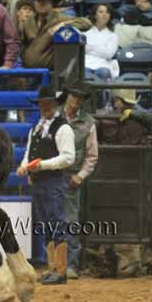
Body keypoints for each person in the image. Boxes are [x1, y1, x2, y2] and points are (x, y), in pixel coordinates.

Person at [17, 85, 75, 285]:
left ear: (55, 104)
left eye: (48, 104)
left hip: (52, 181)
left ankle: (60, 270)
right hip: (40, 182)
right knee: (48, 224)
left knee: (56, 223)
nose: (45, 107)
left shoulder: (63, 127)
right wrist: (24, 166)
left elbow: (68, 158)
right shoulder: (37, 127)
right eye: (42, 104)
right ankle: (53, 268)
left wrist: (41, 165)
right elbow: (28, 153)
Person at [58, 83, 98, 280]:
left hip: (70, 176)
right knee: (52, 220)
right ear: (68, 96)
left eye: (80, 98)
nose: (76, 100)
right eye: (74, 96)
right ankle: (56, 265)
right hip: (52, 175)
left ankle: (71, 265)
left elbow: (92, 156)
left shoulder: (88, 122)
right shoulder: (55, 117)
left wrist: (80, 175)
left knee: (70, 221)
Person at [21, 0, 90, 70]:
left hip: (50, 73)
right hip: (27, 72)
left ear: (51, 3)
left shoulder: (59, 18)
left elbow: (86, 23)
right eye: (38, 0)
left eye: (45, 0)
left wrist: (62, 25)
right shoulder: (29, 21)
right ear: (34, 3)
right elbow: (22, 43)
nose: (41, 3)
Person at [84, 4, 119, 107]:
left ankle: (103, 106)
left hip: (104, 65)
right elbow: (84, 50)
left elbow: (109, 54)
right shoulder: (85, 34)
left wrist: (92, 47)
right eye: (101, 12)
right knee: (85, 74)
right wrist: (101, 47)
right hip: (87, 64)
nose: (104, 14)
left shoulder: (113, 36)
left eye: (107, 12)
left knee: (103, 73)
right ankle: (87, 107)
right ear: (95, 15)